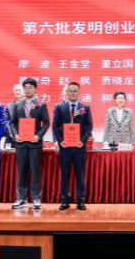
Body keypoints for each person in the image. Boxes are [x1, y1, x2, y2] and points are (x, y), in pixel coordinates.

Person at [9, 78, 50, 210]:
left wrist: (38, 136)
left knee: (35, 171)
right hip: (20, 143)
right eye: (25, 87)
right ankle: (21, 199)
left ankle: (36, 199)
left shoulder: (40, 105)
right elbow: (12, 122)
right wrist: (15, 135)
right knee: (21, 171)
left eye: (30, 87)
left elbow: (46, 123)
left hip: (34, 143)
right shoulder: (18, 105)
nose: (27, 90)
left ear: (35, 89)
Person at [52, 81, 93, 210]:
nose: (73, 93)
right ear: (67, 92)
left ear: (79, 93)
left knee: (80, 175)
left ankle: (80, 201)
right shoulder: (60, 107)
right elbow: (55, 126)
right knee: (65, 174)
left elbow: (89, 126)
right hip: (65, 147)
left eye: (75, 91)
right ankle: (65, 200)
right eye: (70, 91)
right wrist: (60, 141)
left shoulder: (85, 108)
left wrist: (83, 140)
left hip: (80, 147)